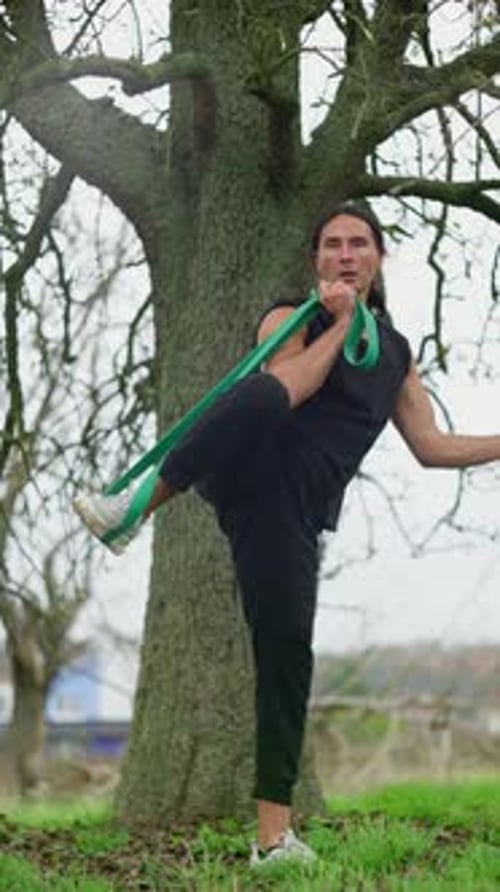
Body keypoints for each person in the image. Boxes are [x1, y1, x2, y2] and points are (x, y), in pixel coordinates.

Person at [73, 202, 500, 866]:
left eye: (359, 243)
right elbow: (289, 388)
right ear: (317, 261)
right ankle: (134, 504)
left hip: (295, 512)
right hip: (252, 471)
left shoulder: (394, 354)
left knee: (286, 656)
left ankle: (273, 840)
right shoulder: (290, 317)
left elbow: (431, 444)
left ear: (379, 257)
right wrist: (338, 322)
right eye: (331, 245)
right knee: (255, 393)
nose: (346, 254)